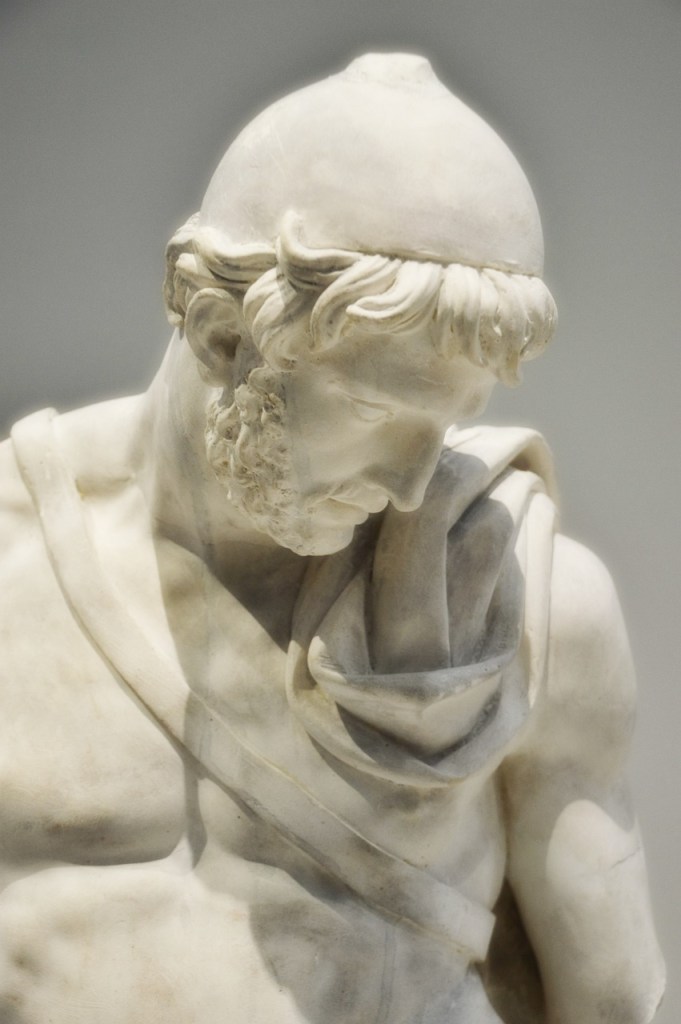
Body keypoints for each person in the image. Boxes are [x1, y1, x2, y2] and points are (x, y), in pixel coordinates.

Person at [0, 53, 664, 1024]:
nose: (411, 483)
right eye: (373, 409)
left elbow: (612, 1002)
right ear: (223, 334)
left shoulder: (524, 609)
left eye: (446, 424)